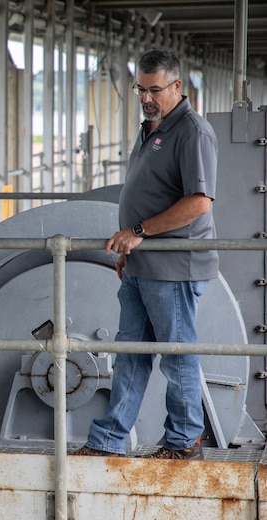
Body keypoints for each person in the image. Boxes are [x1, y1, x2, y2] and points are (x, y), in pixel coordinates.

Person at [72, 49, 218, 460]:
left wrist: (138, 232)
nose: (147, 97)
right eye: (141, 89)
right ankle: (107, 440)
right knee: (130, 354)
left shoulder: (192, 132)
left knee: (175, 355)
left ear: (177, 86)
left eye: (155, 90)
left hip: (174, 265)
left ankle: (184, 440)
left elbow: (199, 203)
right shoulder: (153, 127)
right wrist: (130, 249)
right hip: (143, 263)